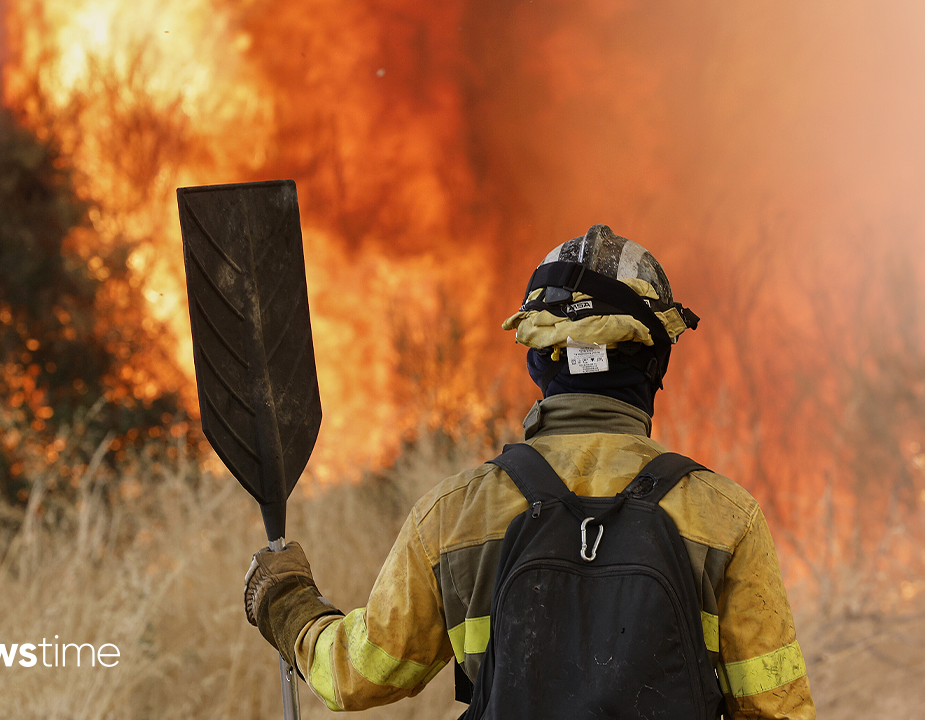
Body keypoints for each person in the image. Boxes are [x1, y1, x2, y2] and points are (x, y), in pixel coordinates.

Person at [243, 225, 816, 719]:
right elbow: (776, 709)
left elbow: (361, 674)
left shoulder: (458, 514)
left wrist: (288, 602)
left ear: (537, 361)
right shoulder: (724, 517)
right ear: (656, 363)